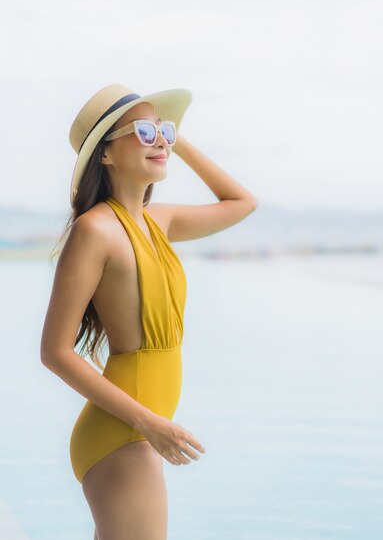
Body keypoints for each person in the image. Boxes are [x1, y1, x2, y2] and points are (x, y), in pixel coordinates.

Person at [40, 84, 259, 540]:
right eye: (142, 131)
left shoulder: (159, 222)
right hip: (124, 433)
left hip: (142, 431)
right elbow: (55, 351)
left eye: (163, 131)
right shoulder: (95, 230)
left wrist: (170, 141)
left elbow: (243, 202)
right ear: (105, 155)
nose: (158, 140)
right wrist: (148, 423)